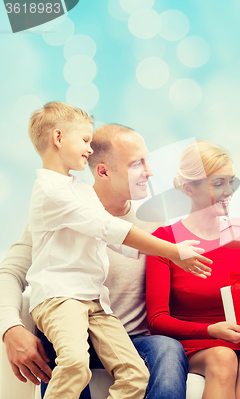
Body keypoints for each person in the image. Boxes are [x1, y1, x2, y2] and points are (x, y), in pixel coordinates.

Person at [1, 101, 211, 399]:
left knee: (166, 349)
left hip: (121, 332)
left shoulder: (150, 219)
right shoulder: (58, 204)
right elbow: (11, 271)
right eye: (137, 163)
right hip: (69, 324)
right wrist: (11, 328)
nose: (149, 173)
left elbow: (127, 248)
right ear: (103, 171)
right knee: (70, 357)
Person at [146, 140, 240, 399]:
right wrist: (210, 331)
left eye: (231, 182)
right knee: (222, 357)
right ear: (188, 188)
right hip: (195, 344)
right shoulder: (164, 240)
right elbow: (157, 320)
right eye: (217, 184)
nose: (229, 191)